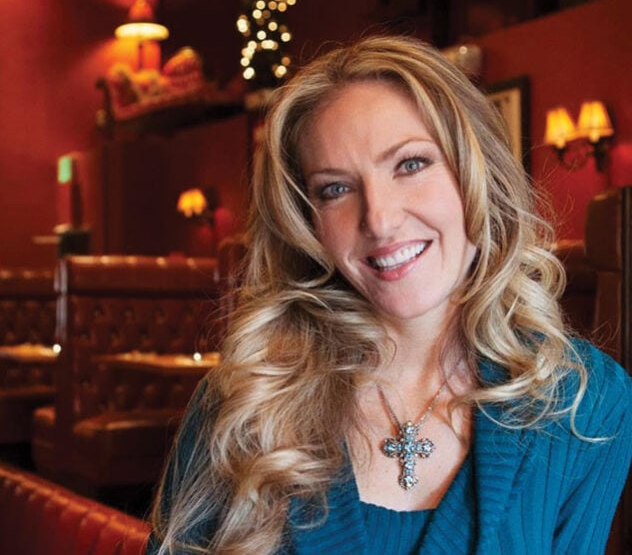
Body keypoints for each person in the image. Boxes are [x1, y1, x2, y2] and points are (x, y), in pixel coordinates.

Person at [147, 35, 632, 554]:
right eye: (335, 189)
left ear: (479, 172)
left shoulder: (586, 406)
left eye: (410, 164)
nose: (378, 220)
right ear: (308, 223)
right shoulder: (245, 404)